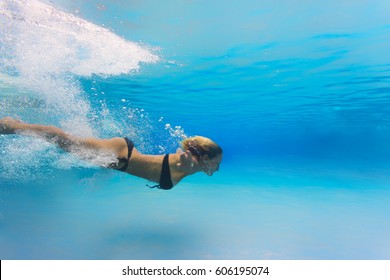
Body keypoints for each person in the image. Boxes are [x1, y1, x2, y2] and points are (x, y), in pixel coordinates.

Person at [0, 117, 222, 189]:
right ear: (202, 157)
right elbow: (187, 152)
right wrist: (195, 151)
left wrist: (203, 158)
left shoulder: (195, 169)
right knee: (63, 140)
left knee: (69, 142)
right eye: (215, 162)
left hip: (119, 160)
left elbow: (198, 160)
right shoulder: (189, 162)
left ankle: (16, 126)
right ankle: (12, 125)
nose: (217, 167)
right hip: (121, 155)